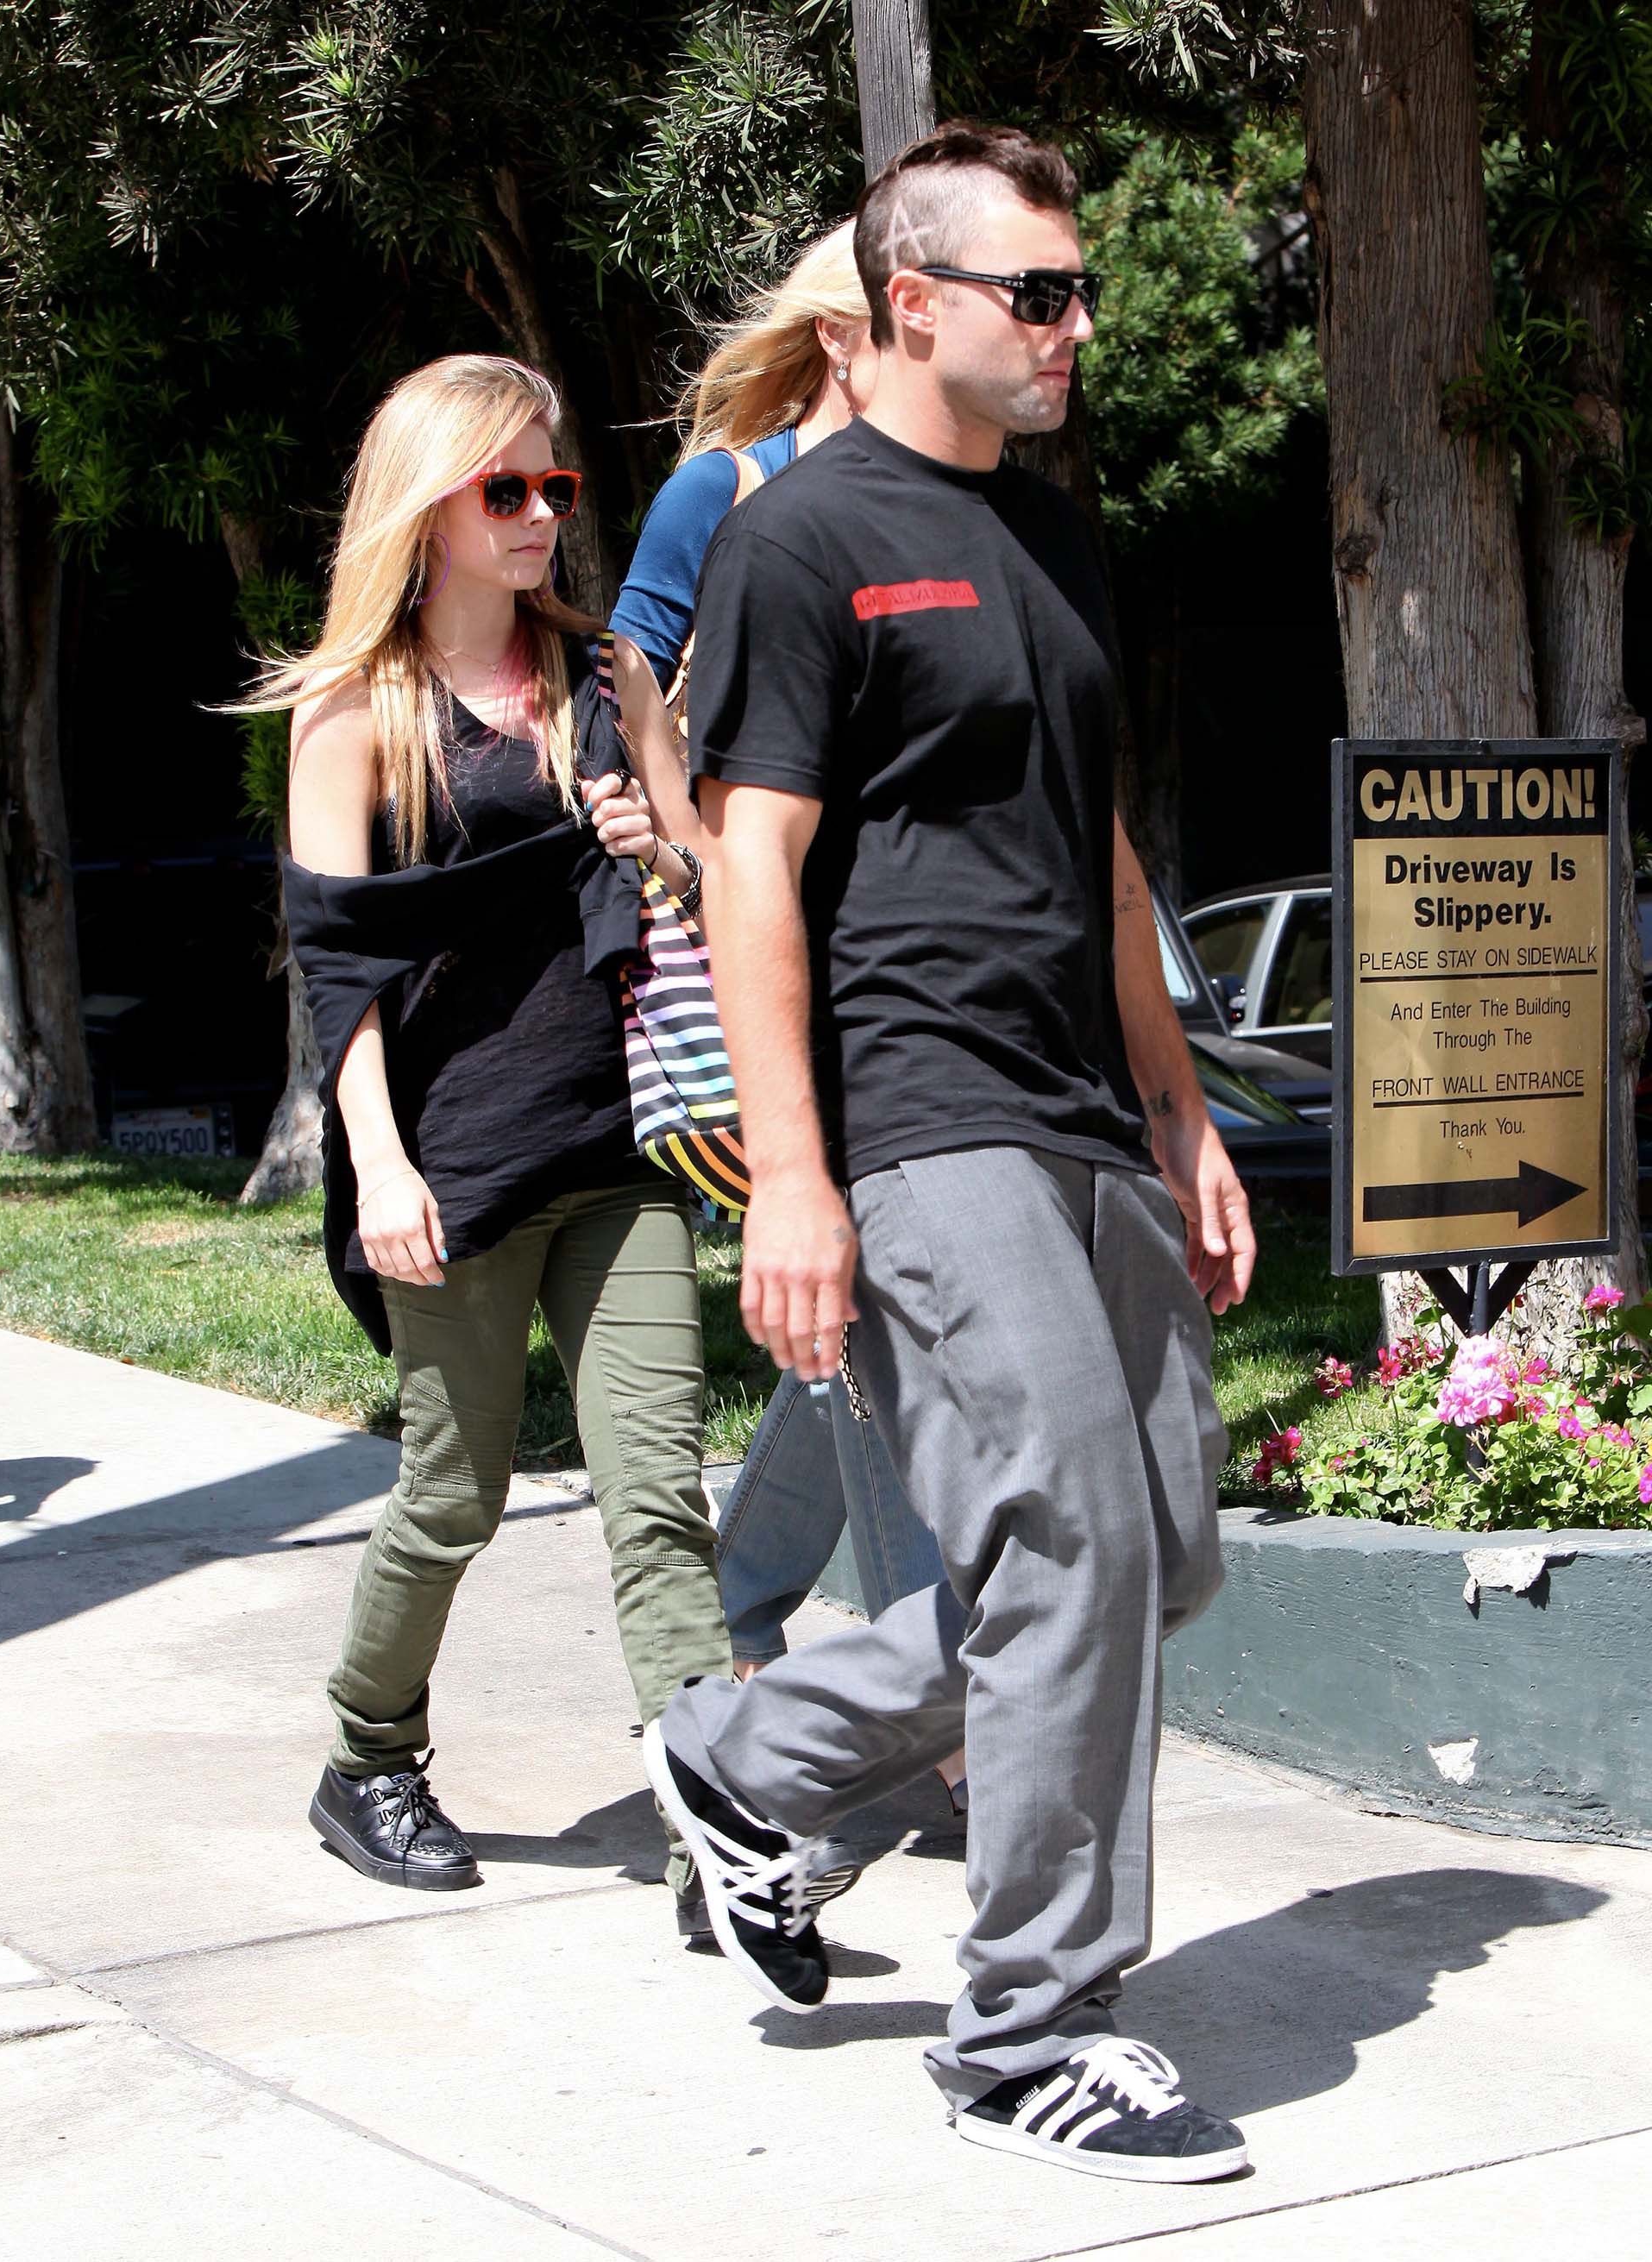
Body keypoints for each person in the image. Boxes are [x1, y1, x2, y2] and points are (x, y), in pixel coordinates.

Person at [642, 124, 1258, 2180]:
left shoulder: (1054, 539)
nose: (1076, 326)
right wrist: (793, 1176)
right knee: (1068, 1536)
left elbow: (1100, 853)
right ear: (911, 303)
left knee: (1160, 1547)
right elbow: (750, 868)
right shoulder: (805, 539)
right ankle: (1030, 2029)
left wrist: (1181, 1110)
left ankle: (757, 1752)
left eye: (1079, 292)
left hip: (1082, 1107)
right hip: (917, 1108)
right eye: (1039, 293)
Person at [248, 352, 734, 1939]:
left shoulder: (608, 674)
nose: (539, 514)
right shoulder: (355, 711)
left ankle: (715, 1828)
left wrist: (660, 844)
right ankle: (366, 1756)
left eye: (554, 486)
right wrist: (380, 1166)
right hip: (452, 1163)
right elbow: (338, 971)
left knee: (657, 1494)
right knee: (451, 1494)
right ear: (429, 503)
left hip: (619, 1144)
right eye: (504, 488)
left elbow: (708, 874)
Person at [612, 226, 962, 1805]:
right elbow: (631, 668)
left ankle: (748, 1600)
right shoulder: (730, 489)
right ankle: (937, 1721)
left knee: (866, 1317)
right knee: (868, 1315)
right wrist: (689, 846)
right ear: (842, 337)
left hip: (886, 977)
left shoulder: (934, 503)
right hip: (744, 976)